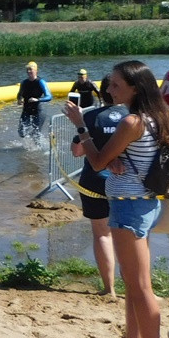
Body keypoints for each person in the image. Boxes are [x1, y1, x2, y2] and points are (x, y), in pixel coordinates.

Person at [63, 60, 169, 338]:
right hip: (143, 203)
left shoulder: (131, 121)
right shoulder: (156, 117)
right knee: (133, 282)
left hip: (130, 209)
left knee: (141, 286)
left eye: (115, 85)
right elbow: (125, 158)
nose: (108, 90)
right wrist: (116, 159)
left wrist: (81, 125)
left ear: (135, 88)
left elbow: (98, 161)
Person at [70, 75, 127, 297]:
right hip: (125, 182)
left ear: (100, 93)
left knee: (102, 234)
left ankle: (109, 289)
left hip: (94, 181)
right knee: (129, 236)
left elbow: (77, 152)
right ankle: (135, 287)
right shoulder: (131, 116)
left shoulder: (90, 116)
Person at [16, 61, 52, 139]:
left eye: (30, 69)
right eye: (27, 70)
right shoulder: (24, 83)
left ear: (36, 70)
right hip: (27, 109)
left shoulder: (40, 82)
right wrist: (19, 99)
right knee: (21, 132)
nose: (29, 71)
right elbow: (19, 94)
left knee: (35, 133)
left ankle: (38, 149)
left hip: (39, 110)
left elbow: (49, 96)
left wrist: (37, 99)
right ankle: (28, 146)